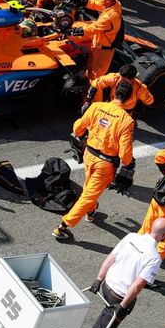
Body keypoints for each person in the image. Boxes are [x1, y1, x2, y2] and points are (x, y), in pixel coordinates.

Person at [54, 81, 135, 240]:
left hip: (89, 155)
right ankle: (63, 227)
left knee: (89, 189)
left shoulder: (97, 106)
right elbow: (125, 152)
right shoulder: (127, 121)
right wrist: (128, 164)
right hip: (105, 164)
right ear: (130, 98)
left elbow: (78, 127)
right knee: (89, 196)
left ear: (114, 92)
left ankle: (91, 212)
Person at [82, 217, 165, 328]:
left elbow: (111, 258)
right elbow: (137, 286)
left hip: (106, 285)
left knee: (101, 324)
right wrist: (123, 306)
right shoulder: (154, 257)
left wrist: (98, 279)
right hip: (119, 297)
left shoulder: (131, 237)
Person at [80, 0, 123, 83]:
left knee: (96, 78)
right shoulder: (115, 4)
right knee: (90, 69)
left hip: (103, 50)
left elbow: (93, 28)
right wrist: (84, 1)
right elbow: (98, 4)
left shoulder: (110, 17)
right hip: (98, 44)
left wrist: (76, 31)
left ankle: (93, 97)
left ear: (107, 0)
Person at [81, 63, 154, 115]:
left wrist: (136, 110)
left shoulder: (140, 88)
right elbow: (95, 84)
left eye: (123, 79)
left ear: (132, 79)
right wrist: (87, 102)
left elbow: (149, 101)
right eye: (120, 77)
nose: (120, 80)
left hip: (125, 113)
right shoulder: (115, 78)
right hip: (110, 106)